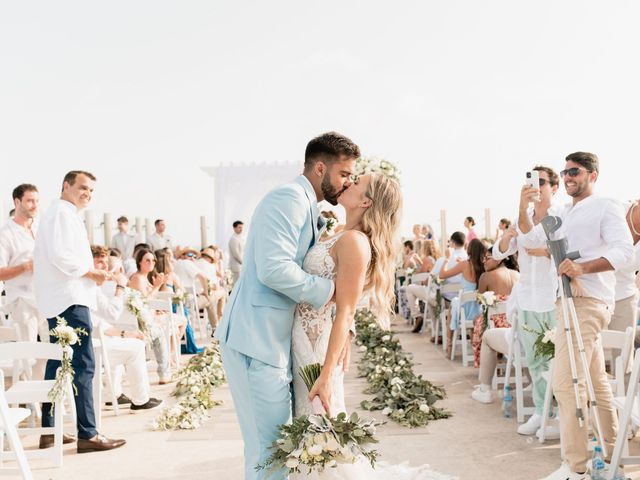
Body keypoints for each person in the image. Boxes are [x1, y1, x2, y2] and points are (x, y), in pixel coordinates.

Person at [215, 132, 358, 479]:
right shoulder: (288, 199)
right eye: (344, 174)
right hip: (256, 340)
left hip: (272, 341)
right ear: (321, 168)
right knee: (270, 451)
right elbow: (273, 268)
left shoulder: (308, 206)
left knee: (277, 449)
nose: (347, 182)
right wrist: (330, 291)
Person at [291, 169, 451, 479]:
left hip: (317, 345)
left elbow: (346, 310)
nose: (348, 182)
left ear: (366, 201)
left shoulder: (354, 242)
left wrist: (326, 373)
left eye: (357, 181)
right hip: (305, 337)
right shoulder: (339, 233)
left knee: (320, 424)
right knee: (312, 426)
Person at [540, 152, 634, 480]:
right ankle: (612, 456)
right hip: (565, 301)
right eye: (564, 171)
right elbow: (534, 239)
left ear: (592, 175)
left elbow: (623, 250)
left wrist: (582, 268)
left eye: (574, 171)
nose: (568, 176)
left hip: (588, 300)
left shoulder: (606, 205)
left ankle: (576, 467)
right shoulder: (564, 211)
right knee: (596, 382)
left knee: (567, 384)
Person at [33, 170, 125, 453]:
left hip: (62, 299)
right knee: (83, 364)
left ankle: (49, 430)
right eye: (83, 188)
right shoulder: (61, 213)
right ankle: (88, 433)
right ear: (66, 185)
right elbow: (60, 256)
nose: (88, 194)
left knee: (57, 364)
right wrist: (92, 273)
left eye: (91, 190)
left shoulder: (61, 213)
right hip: (69, 299)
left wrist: (91, 273)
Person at [490, 165, 561, 438]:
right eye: (532, 181)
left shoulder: (561, 217)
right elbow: (498, 252)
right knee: (535, 362)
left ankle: (557, 415)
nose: (536, 186)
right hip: (528, 300)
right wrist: (508, 235)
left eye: (542, 182)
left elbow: (568, 251)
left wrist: (548, 251)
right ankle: (542, 412)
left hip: (553, 298)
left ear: (554, 188)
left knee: (556, 363)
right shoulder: (522, 217)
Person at [90, 245, 162, 410]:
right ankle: (141, 400)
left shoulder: (92, 286)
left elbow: (100, 324)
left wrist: (125, 333)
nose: (105, 267)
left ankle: (113, 394)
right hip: (92, 347)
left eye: (106, 263)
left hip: (97, 339)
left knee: (127, 342)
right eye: (100, 262)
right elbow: (111, 314)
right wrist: (120, 287)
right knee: (136, 348)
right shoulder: (94, 287)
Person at [0, 184, 48, 345]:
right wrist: (26, 266)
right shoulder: (5, 234)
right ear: (17, 202)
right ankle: (24, 372)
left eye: (37, 201)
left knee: (54, 348)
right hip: (22, 301)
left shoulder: (42, 227)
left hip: (48, 297)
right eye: (30, 201)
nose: (35, 205)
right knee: (28, 351)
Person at [438, 239, 487, 357]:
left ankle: (449, 346)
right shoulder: (484, 266)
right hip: (479, 310)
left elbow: (442, 275)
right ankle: (475, 347)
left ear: (469, 250)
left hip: (465, 309)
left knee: (454, 303)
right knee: (458, 302)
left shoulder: (464, 265)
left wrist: (447, 259)